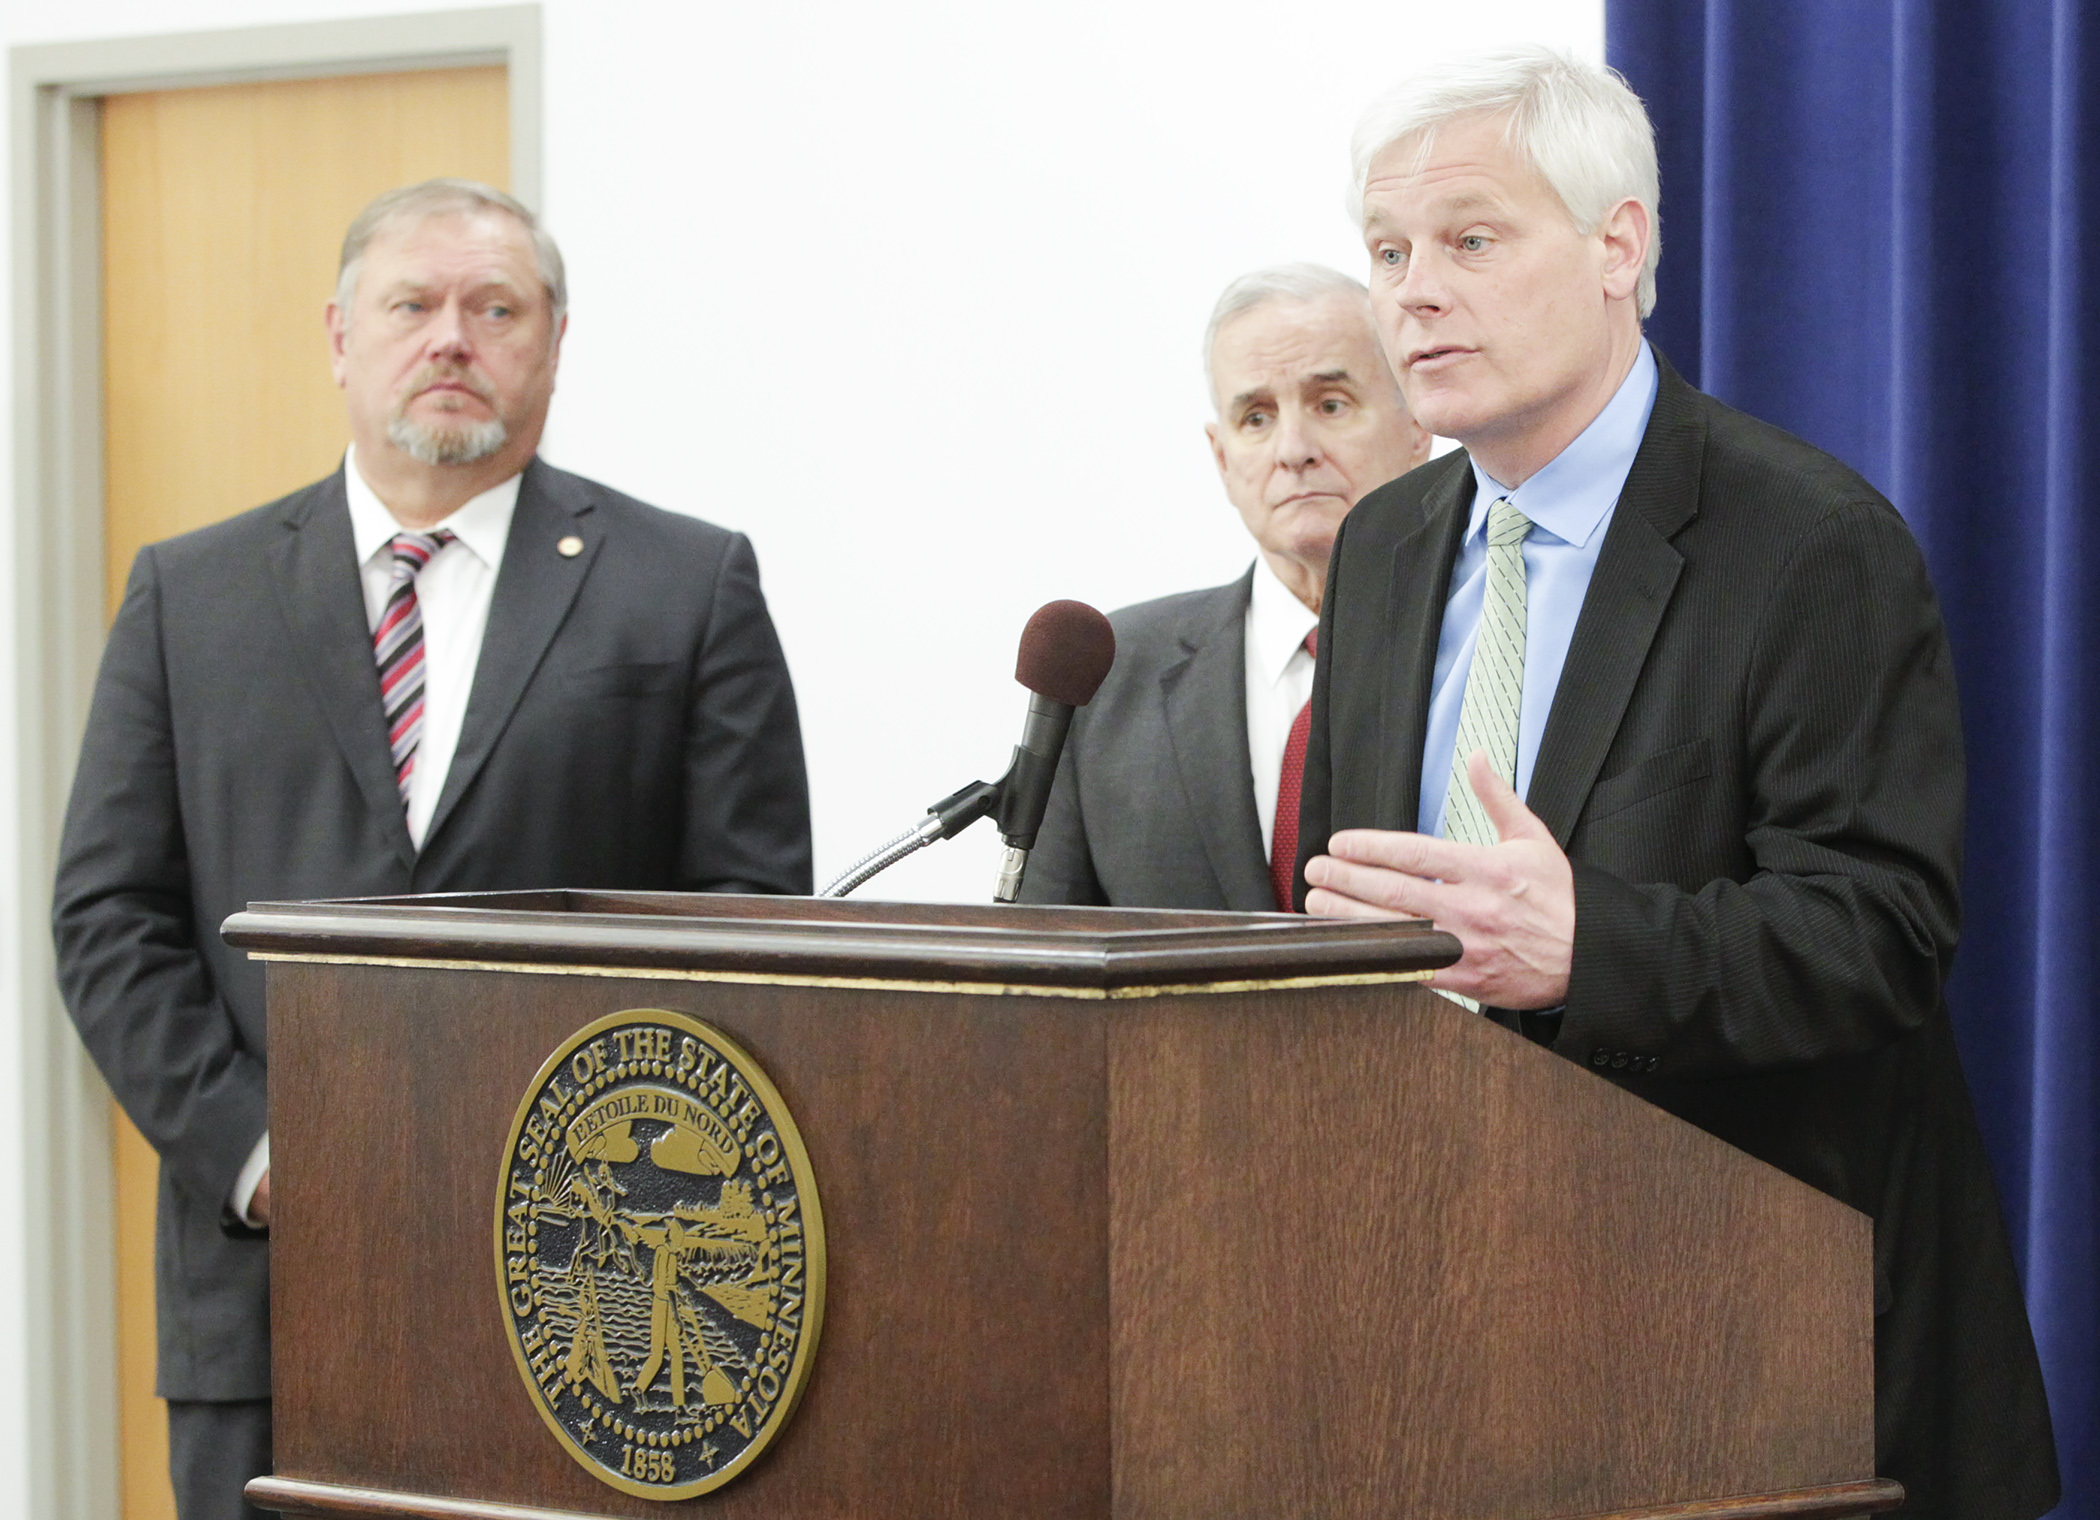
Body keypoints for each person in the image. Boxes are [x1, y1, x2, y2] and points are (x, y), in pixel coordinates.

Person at [1290, 49, 2058, 1517]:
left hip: (1756, 1366)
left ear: (1618, 246)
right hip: (1443, 1345)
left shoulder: (1811, 542)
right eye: (1387, 254)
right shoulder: (1386, 550)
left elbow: (1878, 937)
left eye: (1468, 240)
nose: (1412, 295)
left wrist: (1591, 948)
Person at [52, 179, 812, 1520]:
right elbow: (110, 914)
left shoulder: (684, 588)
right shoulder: (192, 593)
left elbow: (750, 923)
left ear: (555, 344)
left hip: (592, 1297)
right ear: (342, 337)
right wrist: (258, 1148)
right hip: (270, 1287)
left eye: (494, 308)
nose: (451, 337)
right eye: (413, 304)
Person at [1020, 264, 1429, 910]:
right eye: (1257, 417)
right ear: (1222, 458)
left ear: (1418, 428)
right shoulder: (1108, 672)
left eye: (1330, 405)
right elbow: (1041, 973)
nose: (1293, 449)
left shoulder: (1484, 651)